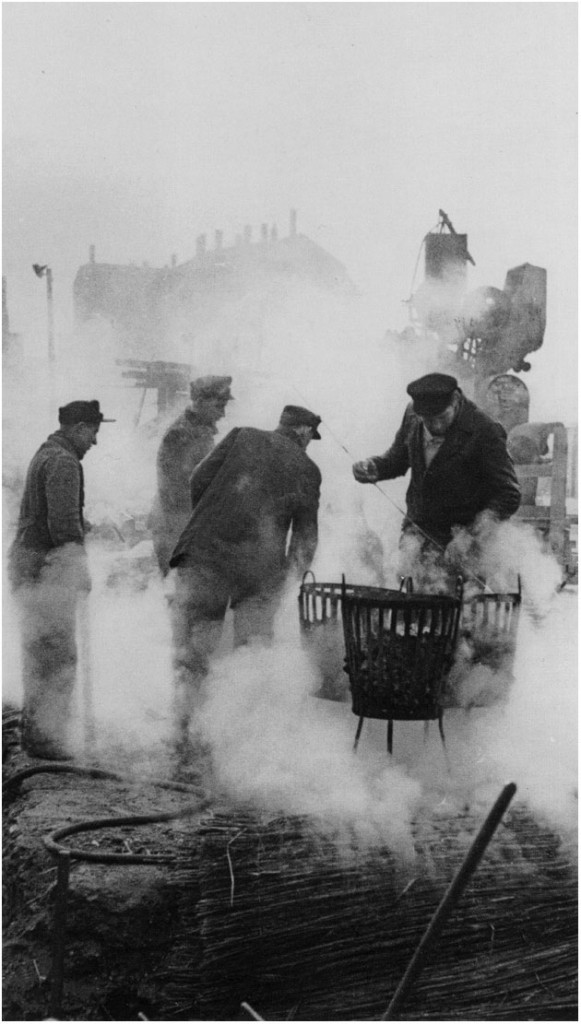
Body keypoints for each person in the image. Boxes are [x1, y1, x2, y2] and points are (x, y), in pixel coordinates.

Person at [168, 404, 322, 752]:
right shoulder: (307, 468)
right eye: (311, 436)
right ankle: (240, 743)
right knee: (250, 654)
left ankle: (184, 735)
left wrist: (211, 524)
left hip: (204, 554)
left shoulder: (242, 436)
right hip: (257, 571)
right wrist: (287, 582)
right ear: (303, 432)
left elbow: (198, 479)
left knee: (193, 648)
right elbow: (305, 539)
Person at [8, 400, 115, 759]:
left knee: (40, 651)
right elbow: (62, 528)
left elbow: (49, 515)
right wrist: (79, 568)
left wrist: (81, 526)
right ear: (80, 427)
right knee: (57, 654)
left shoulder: (47, 453)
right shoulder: (65, 462)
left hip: (31, 565)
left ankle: (38, 732)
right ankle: (47, 739)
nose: (95, 442)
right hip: (45, 569)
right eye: (94, 432)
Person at [353, 373, 521, 582]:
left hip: (463, 546)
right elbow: (398, 457)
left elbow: (508, 495)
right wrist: (374, 467)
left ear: (456, 402)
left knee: (460, 608)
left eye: (442, 418)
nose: (436, 426)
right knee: (411, 604)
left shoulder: (485, 430)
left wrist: (470, 536)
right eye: (428, 420)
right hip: (416, 537)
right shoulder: (413, 415)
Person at [149, 375, 234, 575]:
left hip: (187, 529)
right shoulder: (181, 434)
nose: (223, 413)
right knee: (183, 596)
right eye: (218, 405)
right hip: (176, 530)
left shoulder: (200, 432)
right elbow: (177, 490)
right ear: (200, 402)